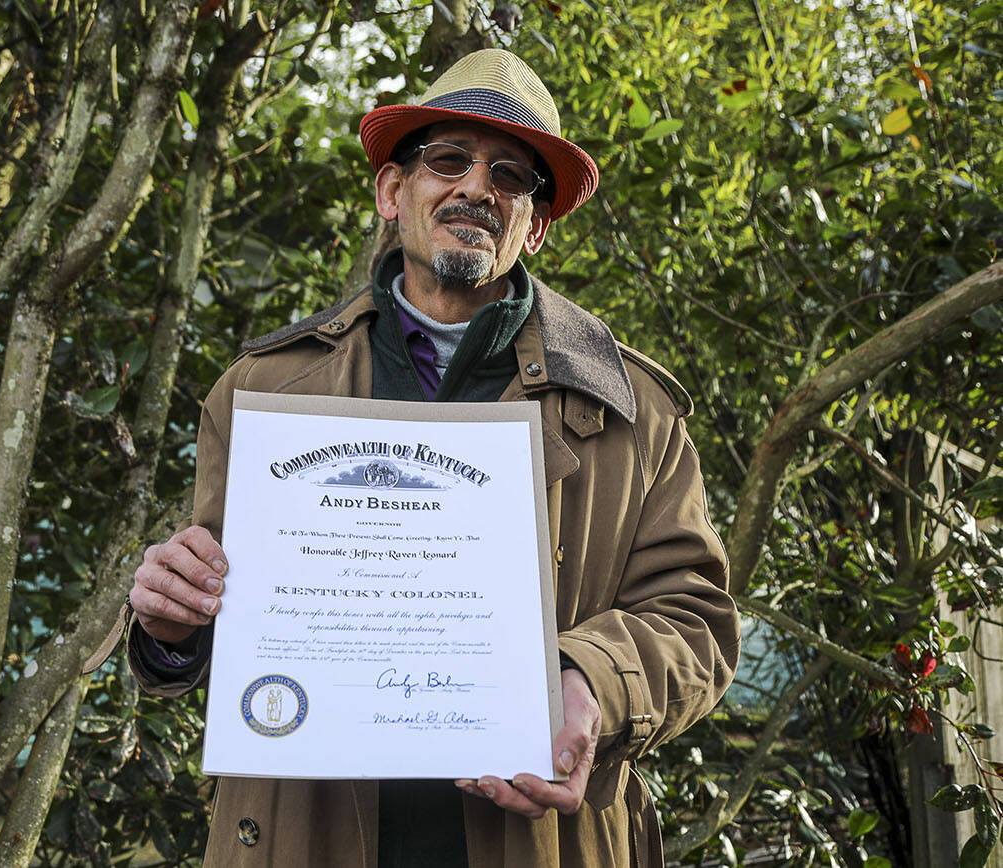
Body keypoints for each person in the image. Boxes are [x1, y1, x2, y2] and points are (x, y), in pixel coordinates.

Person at [126, 48, 739, 867]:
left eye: (513, 177)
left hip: (542, 838)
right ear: (392, 192)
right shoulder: (264, 391)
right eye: (448, 159)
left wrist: (591, 680)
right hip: (302, 839)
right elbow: (222, 608)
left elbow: (697, 621)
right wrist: (173, 625)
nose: (477, 188)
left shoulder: (635, 411)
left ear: (537, 225)